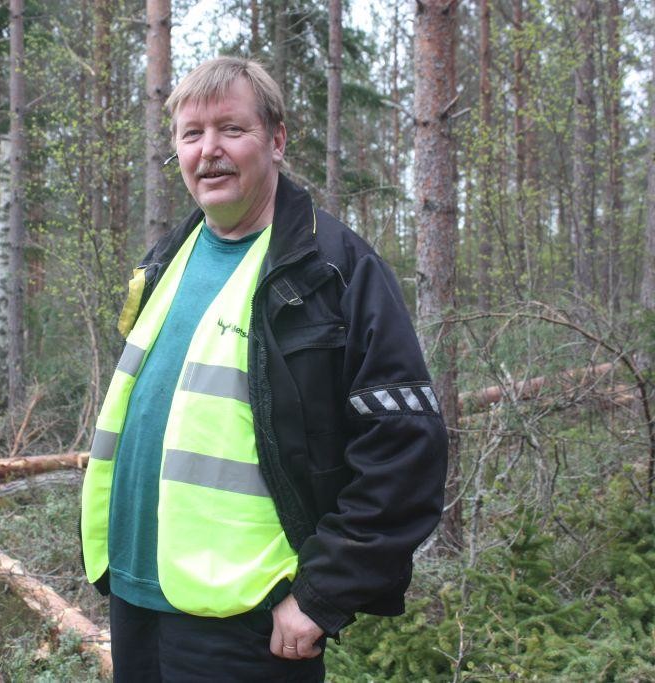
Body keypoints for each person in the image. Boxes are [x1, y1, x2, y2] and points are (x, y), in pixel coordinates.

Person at [80, 56, 447, 682]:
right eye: (192, 134)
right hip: (135, 594)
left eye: (231, 129)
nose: (209, 150)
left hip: (248, 621)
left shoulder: (333, 270)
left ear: (276, 140)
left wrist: (322, 594)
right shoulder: (166, 258)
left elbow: (406, 448)